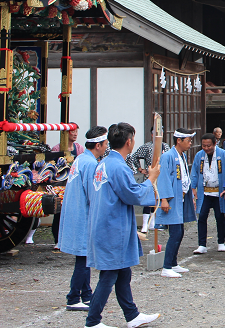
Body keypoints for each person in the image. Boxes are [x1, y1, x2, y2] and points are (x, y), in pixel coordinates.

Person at [85, 122, 160, 328]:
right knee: (110, 274)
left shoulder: (104, 163)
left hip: (106, 222)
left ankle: (132, 315)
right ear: (129, 141)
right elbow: (133, 194)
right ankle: (92, 321)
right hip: (112, 226)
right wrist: (151, 180)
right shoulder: (118, 166)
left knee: (123, 272)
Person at [58, 126, 107, 312]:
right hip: (82, 215)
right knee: (83, 257)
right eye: (104, 144)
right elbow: (93, 194)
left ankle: (86, 295)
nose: (105, 147)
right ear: (98, 145)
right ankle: (73, 296)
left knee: (84, 257)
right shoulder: (90, 164)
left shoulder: (81, 158)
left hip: (75, 212)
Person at [155, 128, 197, 278]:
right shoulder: (167, 156)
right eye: (188, 140)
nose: (190, 143)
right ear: (179, 140)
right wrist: (164, 199)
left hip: (182, 197)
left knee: (180, 232)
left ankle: (173, 263)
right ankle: (166, 266)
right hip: (172, 199)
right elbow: (164, 177)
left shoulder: (181, 156)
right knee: (175, 233)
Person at [190, 133, 225, 255]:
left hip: (219, 191)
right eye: (204, 145)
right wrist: (193, 187)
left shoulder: (223, 154)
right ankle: (202, 244)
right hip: (205, 191)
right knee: (201, 217)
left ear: (214, 144)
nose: (206, 148)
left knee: (220, 217)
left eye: (208, 145)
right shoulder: (199, 155)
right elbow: (195, 172)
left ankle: (221, 242)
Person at [126, 127, 170, 234]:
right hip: (150, 175)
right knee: (148, 199)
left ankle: (156, 222)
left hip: (162, 175)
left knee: (159, 198)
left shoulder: (166, 146)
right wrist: (140, 169)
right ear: (151, 134)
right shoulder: (147, 146)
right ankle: (145, 224)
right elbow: (135, 156)